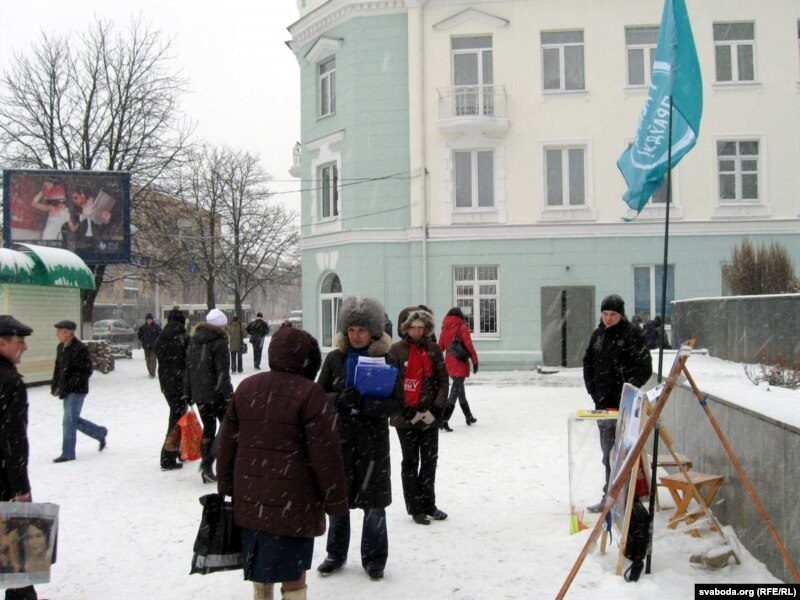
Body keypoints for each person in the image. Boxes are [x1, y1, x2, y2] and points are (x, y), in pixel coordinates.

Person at [217, 326, 349, 600]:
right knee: (293, 570)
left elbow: (226, 443)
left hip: (251, 498)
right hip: (295, 501)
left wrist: (226, 485)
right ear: (308, 360)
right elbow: (325, 454)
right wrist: (336, 500)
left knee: (259, 564)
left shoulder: (247, 388)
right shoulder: (311, 394)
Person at [315, 297, 403, 581]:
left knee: (374, 505)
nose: (356, 336)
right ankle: (335, 554)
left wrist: (365, 404)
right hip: (339, 441)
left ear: (373, 332)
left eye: (362, 330)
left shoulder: (387, 359)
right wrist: (338, 399)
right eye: (351, 330)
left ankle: (374, 559)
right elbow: (317, 397)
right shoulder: (334, 359)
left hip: (373, 444)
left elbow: (397, 404)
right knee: (338, 502)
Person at [582, 294, 652, 512]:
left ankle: (630, 498)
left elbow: (644, 368)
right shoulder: (598, 335)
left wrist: (627, 391)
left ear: (621, 315)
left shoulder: (631, 335)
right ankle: (610, 496)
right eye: (604, 314)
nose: (608, 318)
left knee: (625, 453)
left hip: (625, 405)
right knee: (608, 454)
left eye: (612, 314)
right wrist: (594, 392)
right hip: (603, 405)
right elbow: (588, 364)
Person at [389, 308, 449, 525]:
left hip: (430, 415)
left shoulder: (433, 349)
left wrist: (436, 408)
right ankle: (415, 508)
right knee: (411, 461)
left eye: (421, 328)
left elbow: (443, 380)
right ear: (406, 328)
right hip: (406, 418)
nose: (417, 331)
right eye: (413, 327)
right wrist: (407, 409)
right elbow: (394, 382)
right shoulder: (396, 350)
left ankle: (429, 504)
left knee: (430, 461)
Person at [0, 315, 37, 600]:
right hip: (3, 480)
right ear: (2, 343)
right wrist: (21, 488)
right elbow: (13, 440)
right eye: (19, 341)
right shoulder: (10, 382)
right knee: (15, 537)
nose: (24, 347)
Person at [184, 308, 233, 483]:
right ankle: (210, 461)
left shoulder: (194, 341)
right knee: (227, 427)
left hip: (199, 394)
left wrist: (188, 393)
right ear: (220, 325)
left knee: (209, 428)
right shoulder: (220, 343)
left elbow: (188, 369)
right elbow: (222, 373)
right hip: (216, 393)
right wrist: (229, 395)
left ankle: (206, 467)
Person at [51, 320, 108, 463]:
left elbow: (87, 371)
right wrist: (56, 385)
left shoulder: (80, 348)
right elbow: (58, 368)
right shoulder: (61, 347)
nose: (57, 334)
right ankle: (99, 432)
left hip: (77, 390)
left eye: (59, 331)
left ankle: (68, 453)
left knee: (68, 421)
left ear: (68, 332)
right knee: (72, 420)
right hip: (66, 389)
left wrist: (71, 384)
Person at [153, 309, 190, 471]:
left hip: (166, 383)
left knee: (178, 417)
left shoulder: (161, 337)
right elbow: (188, 360)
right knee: (177, 420)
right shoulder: (182, 337)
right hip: (180, 383)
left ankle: (180, 450)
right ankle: (167, 457)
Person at [437, 307, 479, 431]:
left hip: (449, 364)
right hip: (460, 363)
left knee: (460, 390)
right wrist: (475, 360)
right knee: (455, 392)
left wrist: (435, 361)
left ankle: (468, 416)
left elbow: (440, 346)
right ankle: (444, 419)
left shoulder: (445, 327)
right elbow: (469, 344)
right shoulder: (461, 326)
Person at [137, 313, 162, 378]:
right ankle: (150, 371)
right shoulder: (143, 328)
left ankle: (152, 373)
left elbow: (160, 335)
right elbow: (140, 336)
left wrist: (156, 342)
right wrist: (144, 342)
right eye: (148, 320)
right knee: (148, 360)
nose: (149, 321)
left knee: (153, 360)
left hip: (154, 347)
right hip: (146, 347)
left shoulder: (156, 327)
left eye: (150, 319)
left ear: (152, 320)